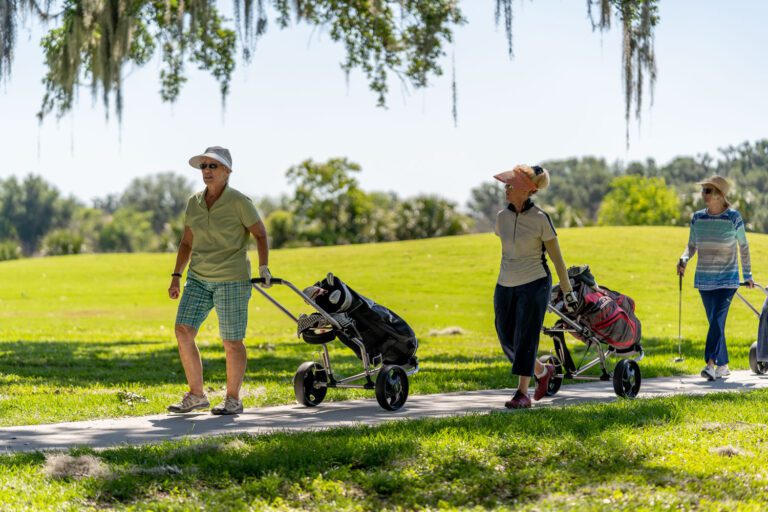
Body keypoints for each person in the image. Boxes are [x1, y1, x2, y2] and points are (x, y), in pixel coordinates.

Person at [167, 146, 272, 415]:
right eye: (204, 166)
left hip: (232, 279)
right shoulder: (195, 202)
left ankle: (233, 399)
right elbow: (187, 241)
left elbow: (259, 234)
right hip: (199, 278)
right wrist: (177, 276)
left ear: (227, 171)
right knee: (183, 330)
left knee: (232, 341)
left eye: (213, 166)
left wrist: (264, 267)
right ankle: (196, 395)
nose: (207, 171)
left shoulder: (239, 201)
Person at [493, 164, 577, 409]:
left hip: (535, 283)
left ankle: (522, 393)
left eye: (511, 186)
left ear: (526, 190)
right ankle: (543, 370)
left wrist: (568, 290)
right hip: (505, 283)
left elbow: (557, 259)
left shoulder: (540, 219)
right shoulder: (501, 218)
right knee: (506, 335)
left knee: (526, 336)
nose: (506, 189)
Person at [677, 175, 754, 381]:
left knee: (717, 321)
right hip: (704, 280)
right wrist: (684, 259)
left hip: (727, 281)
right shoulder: (697, 218)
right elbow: (692, 245)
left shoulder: (733, 218)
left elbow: (743, 247)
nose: (704, 194)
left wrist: (747, 275)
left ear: (720, 195)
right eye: (703, 190)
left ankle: (710, 365)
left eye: (708, 191)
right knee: (715, 323)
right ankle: (724, 365)